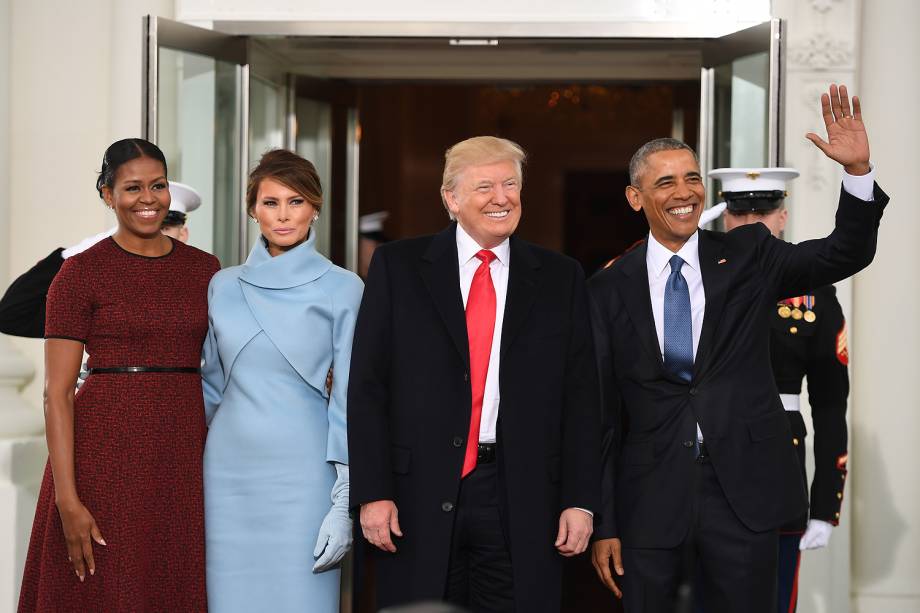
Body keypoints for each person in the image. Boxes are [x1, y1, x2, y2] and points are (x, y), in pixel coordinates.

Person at [588, 84, 887, 613]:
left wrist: (857, 174)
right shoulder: (608, 287)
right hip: (649, 498)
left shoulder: (749, 254)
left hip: (742, 493)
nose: (685, 192)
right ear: (636, 198)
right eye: (665, 182)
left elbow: (845, 252)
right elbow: (604, 417)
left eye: (692, 178)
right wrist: (603, 522)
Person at [347, 136, 601, 612]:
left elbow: (582, 398)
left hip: (524, 494)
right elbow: (368, 388)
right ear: (451, 199)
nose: (501, 197)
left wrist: (580, 500)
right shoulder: (398, 268)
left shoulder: (559, 277)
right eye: (484, 186)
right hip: (415, 494)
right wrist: (373, 492)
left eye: (510, 184)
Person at [17, 138, 220, 612]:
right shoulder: (79, 274)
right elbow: (57, 394)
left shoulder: (205, 270)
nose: (147, 198)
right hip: (102, 457)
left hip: (182, 457)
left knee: (170, 583)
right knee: (101, 590)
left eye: (158, 185)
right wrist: (68, 500)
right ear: (108, 195)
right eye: (132, 188)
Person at [201, 149, 363, 613]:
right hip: (226, 475)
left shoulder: (343, 287)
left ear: (315, 207)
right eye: (270, 202)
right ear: (252, 208)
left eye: (295, 202)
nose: (283, 215)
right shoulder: (222, 284)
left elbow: (349, 399)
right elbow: (208, 387)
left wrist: (344, 500)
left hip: (305, 476)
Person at [705, 167, 850, 613]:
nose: (751, 225)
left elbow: (829, 402)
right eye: (738, 213)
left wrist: (826, 503)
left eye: (763, 213)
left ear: (783, 217)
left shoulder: (813, 292)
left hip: (777, 463)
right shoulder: (697, 279)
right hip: (704, 460)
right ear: (724, 217)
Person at [0, 181, 203, 339]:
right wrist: (72, 255)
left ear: (183, 234)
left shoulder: (203, 283)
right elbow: (11, 316)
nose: (154, 237)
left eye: (165, 228)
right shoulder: (104, 295)